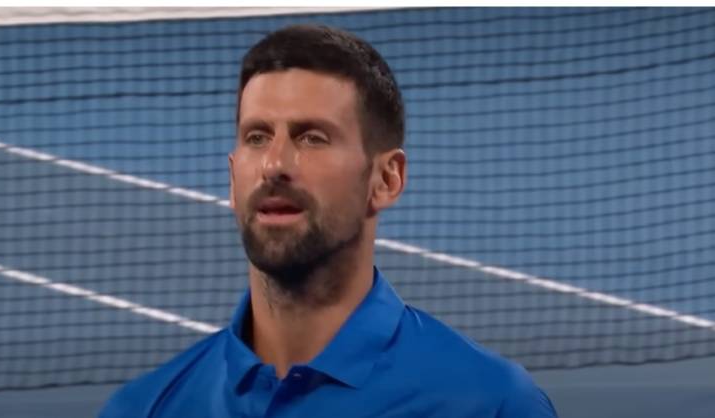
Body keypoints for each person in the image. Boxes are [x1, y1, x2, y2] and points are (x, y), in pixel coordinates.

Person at [100, 24, 558, 418]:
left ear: (386, 179)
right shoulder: (144, 408)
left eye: (312, 138)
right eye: (257, 137)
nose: (274, 165)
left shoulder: (490, 405)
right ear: (232, 178)